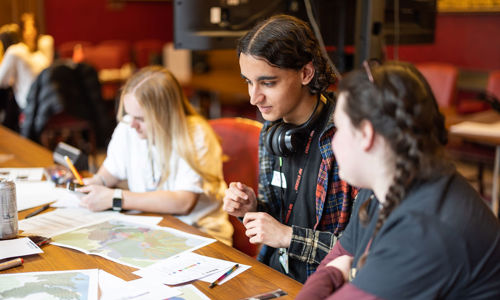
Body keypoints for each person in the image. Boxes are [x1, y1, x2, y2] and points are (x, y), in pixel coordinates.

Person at [296, 61, 500, 299]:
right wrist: (333, 270)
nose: (333, 142)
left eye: (339, 129)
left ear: (366, 135)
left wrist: (332, 274)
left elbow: (333, 270)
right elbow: (337, 258)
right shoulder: (380, 189)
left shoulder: (424, 230)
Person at [223, 14, 356, 283]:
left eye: (268, 83)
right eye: (249, 81)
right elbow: (276, 219)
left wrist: (287, 237)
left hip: (324, 285)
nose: (253, 97)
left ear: (306, 73)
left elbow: (361, 252)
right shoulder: (271, 133)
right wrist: (250, 209)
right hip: (273, 276)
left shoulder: (347, 140)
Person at [78, 66, 233, 246]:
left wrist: (117, 197)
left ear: (165, 116)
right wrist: (96, 183)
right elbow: (111, 171)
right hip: (150, 230)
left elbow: (183, 203)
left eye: (141, 118)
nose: (132, 124)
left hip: (198, 234)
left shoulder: (196, 134)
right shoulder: (129, 125)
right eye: (129, 114)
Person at [0, 13, 53, 110]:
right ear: (21, 31)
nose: (30, 32)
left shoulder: (42, 51)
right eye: (26, 28)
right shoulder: (16, 51)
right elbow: (2, 80)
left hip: (47, 99)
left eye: (33, 27)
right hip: (29, 105)